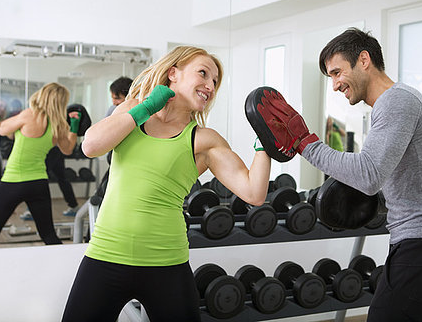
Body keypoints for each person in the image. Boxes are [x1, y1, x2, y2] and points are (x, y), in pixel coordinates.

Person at [258, 28, 422, 322]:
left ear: (364, 60)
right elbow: (379, 177)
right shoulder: (391, 104)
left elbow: (368, 174)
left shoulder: (397, 102)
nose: (334, 85)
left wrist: (305, 142)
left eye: (337, 72)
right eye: (330, 77)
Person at [61, 46, 271, 322]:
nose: (210, 85)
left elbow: (254, 193)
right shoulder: (133, 111)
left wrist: (264, 143)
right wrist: (145, 107)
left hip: (167, 264)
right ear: (173, 73)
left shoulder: (204, 139)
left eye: (215, 81)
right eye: (203, 74)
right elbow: (90, 146)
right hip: (106, 255)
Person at [0, 82, 81, 248]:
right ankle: (66, 268)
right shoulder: (60, 125)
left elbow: (2, 130)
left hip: (12, 182)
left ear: (42, 95)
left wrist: (16, 128)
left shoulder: (28, 114)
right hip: (38, 183)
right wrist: (74, 125)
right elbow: (68, 149)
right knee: (48, 235)